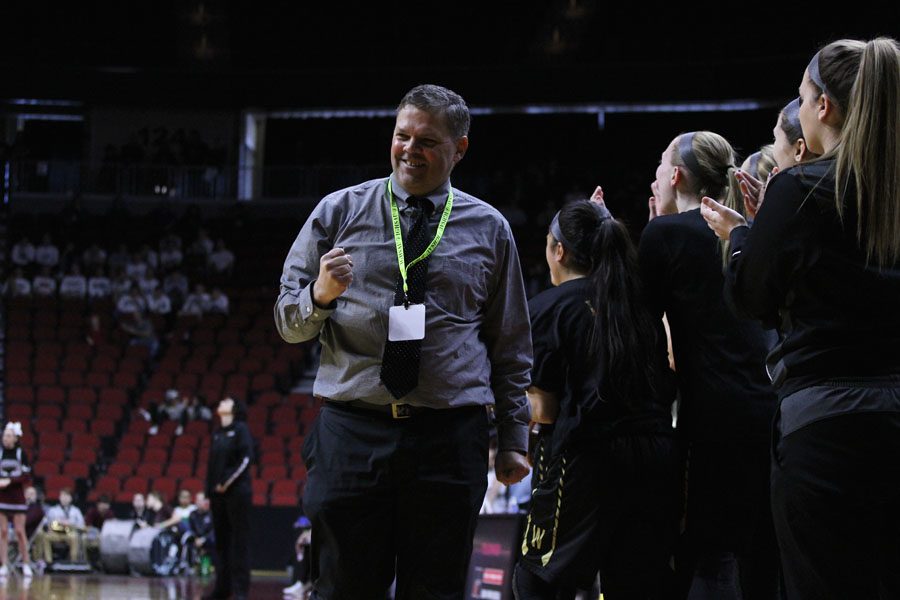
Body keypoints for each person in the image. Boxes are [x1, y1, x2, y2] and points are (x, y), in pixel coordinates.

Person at [274, 84, 532, 599]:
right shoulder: (337, 211)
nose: (410, 150)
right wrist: (320, 296)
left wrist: (513, 438)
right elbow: (287, 323)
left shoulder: (490, 228)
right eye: (402, 136)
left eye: (428, 141)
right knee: (343, 588)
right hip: (352, 432)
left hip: (449, 438)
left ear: (459, 149)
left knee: (435, 591)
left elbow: (510, 345)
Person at [701, 37, 900, 600]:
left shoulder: (799, 188)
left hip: (827, 429)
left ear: (824, 109)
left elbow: (751, 298)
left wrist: (743, 235)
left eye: (802, 95)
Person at [514, 200, 681, 599]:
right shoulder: (640, 302)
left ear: (560, 252)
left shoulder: (550, 307)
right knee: (635, 584)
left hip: (589, 457)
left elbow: (545, 410)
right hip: (656, 455)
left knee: (537, 577)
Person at [638, 131, 779, 599]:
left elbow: (645, 333)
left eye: (660, 165)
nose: (655, 176)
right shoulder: (747, 228)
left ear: (675, 175)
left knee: (705, 553)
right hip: (773, 408)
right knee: (761, 553)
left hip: (710, 420)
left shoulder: (665, 233)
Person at [202, 397, 253, 600]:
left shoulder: (241, 429)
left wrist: (226, 483)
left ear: (234, 408)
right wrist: (209, 492)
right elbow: (211, 466)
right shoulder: (217, 433)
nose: (221, 402)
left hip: (237, 494)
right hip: (217, 497)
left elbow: (246, 460)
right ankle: (222, 588)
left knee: (239, 542)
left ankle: (241, 591)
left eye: (225, 401)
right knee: (221, 543)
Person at [0, 423, 34, 577]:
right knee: (3, 532)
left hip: (17, 497)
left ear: (15, 438)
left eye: (8, 435)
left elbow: (26, 476)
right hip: (2, 497)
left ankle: (26, 564)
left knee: (20, 532)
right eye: (4, 435)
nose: (5, 438)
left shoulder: (21, 453)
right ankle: (3, 565)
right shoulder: (0, 453)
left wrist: (10, 481)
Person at [41, 488, 85, 565]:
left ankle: (73, 561)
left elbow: (81, 525)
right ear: (59, 497)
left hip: (70, 533)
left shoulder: (76, 510)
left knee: (74, 537)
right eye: (62, 496)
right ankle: (48, 562)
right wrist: (56, 523)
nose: (64, 498)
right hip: (56, 533)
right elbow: (46, 523)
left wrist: (70, 523)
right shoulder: (53, 510)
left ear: (71, 498)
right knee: (45, 537)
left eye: (67, 496)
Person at [182, 492, 214, 574]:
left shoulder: (211, 514)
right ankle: (190, 566)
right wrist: (196, 538)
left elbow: (213, 531)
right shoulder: (193, 514)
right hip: (195, 539)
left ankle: (210, 565)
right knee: (187, 541)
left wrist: (203, 540)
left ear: (206, 502)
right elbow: (191, 529)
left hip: (208, 539)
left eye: (201, 500)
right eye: (197, 500)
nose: (199, 502)